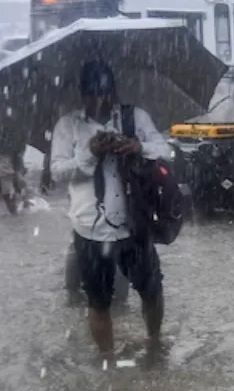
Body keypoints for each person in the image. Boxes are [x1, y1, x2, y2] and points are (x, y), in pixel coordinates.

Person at [49, 61, 169, 359]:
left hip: (134, 224)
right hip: (90, 229)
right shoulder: (68, 126)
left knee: (152, 291)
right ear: (83, 93)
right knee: (98, 302)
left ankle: (155, 344)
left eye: (104, 92)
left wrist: (137, 146)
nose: (100, 100)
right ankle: (108, 361)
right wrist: (89, 154)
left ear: (113, 91)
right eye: (92, 93)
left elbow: (165, 149)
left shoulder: (134, 117)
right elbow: (57, 172)